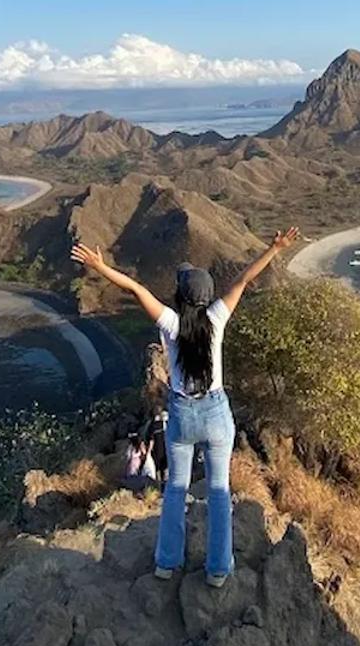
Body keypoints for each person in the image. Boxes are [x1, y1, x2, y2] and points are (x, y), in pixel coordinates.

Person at [71, 228, 300, 587]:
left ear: (180, 295)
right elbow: (243, 279)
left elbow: (135, 289)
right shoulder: (217, 319)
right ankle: (218, 570)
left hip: (181, 415)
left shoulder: (171, 324)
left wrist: (99, 267)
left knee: (175, 489)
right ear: (208, 297)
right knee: (219, 492)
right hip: (215, 413)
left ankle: (166, 563)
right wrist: (275, 248)